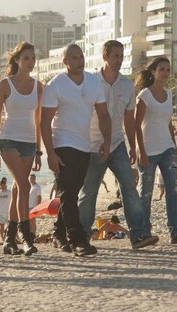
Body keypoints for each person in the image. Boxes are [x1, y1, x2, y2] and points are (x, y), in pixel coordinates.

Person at [77, 40, 158, 251]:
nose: (119, 60)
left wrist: (133, 146)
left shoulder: (126, 85)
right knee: (89, 192)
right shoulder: (90, 81)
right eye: (115, 56)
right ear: (105, 57)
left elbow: (129, 119)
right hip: (94, 145)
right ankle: (83, 237)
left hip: (117, 143)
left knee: (129, 188)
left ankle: (138, 235)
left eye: (122, 56)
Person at [41, 43, 111, 257]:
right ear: (65, 62)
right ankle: (77, 240)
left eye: (80, 57)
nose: (78, 61)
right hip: (62, 143)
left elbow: (104, 115)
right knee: (68, 194)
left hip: (84, 145)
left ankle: (58, 233)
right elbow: (44, 122)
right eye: (73, 58)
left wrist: (107, 141)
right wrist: (50, 153)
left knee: (69, 193)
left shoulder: (93, 82)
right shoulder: (55, 85)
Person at [136, 56, 177, 244]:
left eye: (168, 69)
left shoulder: (168, 94)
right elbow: (136, 125)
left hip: (166, 147)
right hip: (148, 150)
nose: (165, 73)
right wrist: (141, 152)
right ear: (153, 72)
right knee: (146, 192)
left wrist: (175, 147)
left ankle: (176, 231)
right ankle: (143, 231)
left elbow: (168, 123)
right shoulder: (144, 95)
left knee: (173, 190)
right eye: (161, 69)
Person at [0, 41, 42, 256]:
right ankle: (26, 238)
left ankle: (9, 239)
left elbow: (39, 120)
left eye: (32, 58)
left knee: (17, 189)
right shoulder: (5, 84)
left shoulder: (38, 86)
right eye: (26, 58)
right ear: (16, 60)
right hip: (9, 141)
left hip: (30, 142)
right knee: (24, 186)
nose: (30, 62)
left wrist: (39, 150)